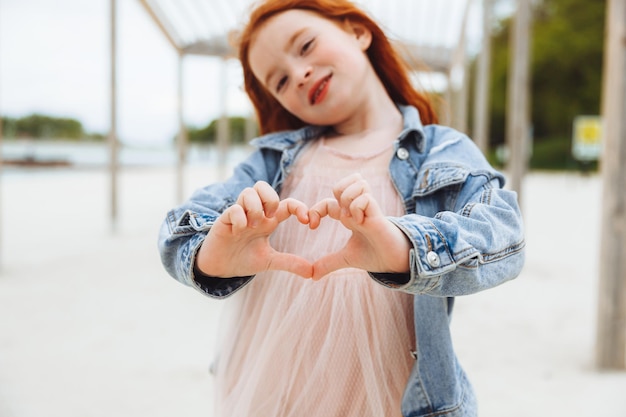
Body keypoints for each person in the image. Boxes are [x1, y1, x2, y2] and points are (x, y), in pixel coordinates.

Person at [158, 0, 525, 416]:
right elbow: (178, 232)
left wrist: (401, 248)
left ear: (357, 31)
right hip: (269, 386)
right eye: (279, 81)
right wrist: (213, 255)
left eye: (306, 46)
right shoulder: (273, 160)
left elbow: (504, 232)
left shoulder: (441, 149)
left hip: (389, 395)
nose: (298, 75)